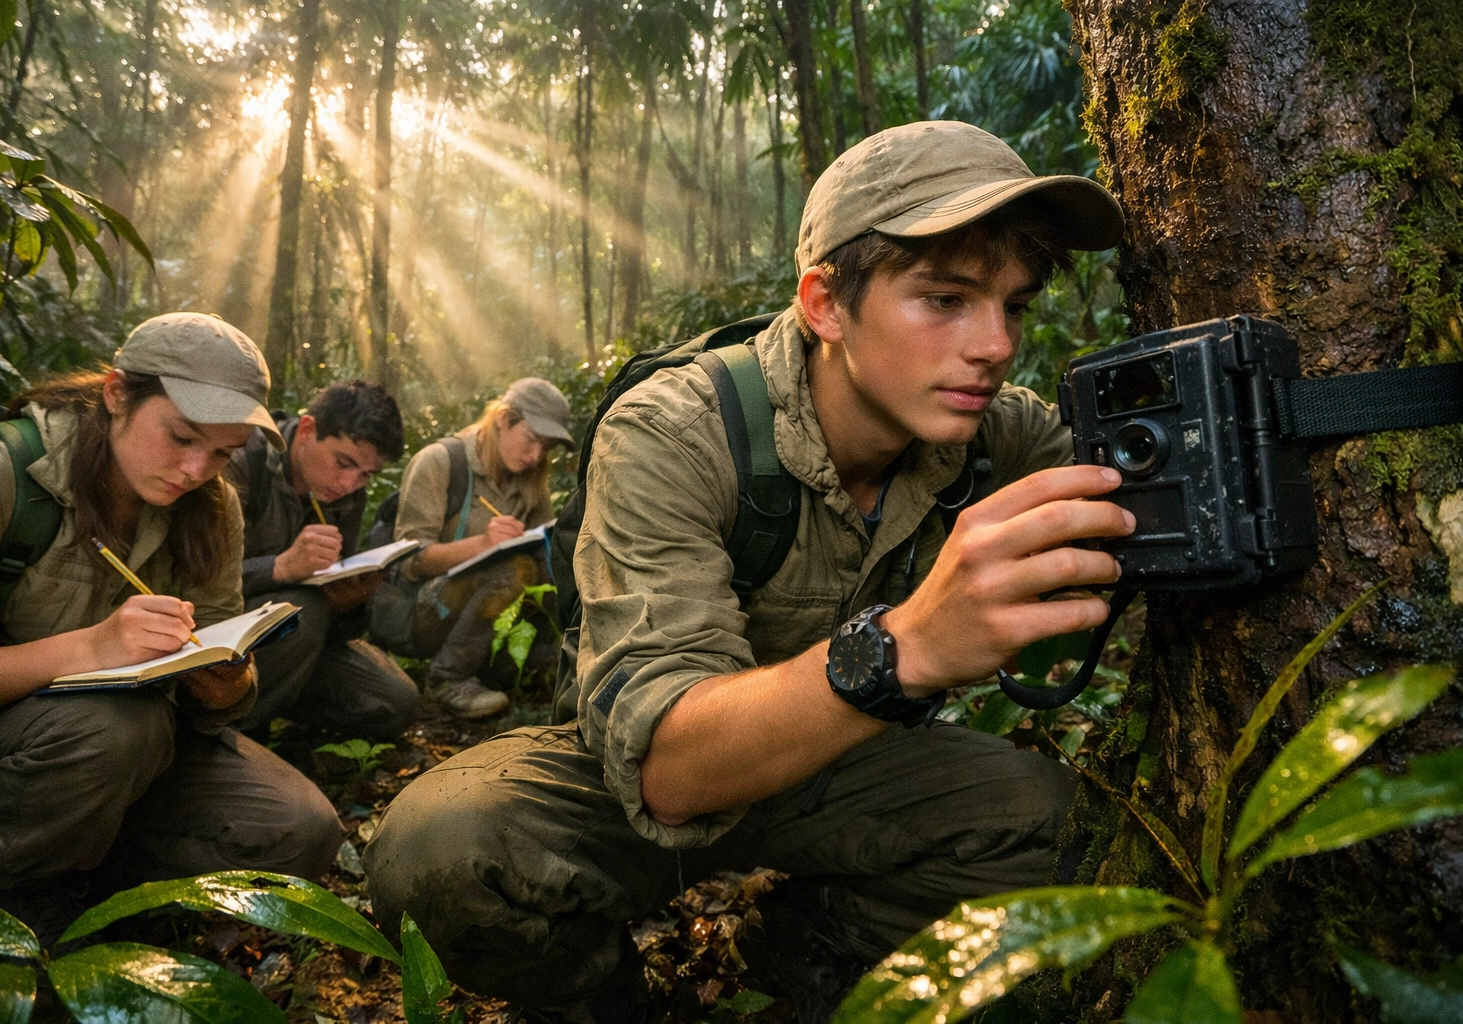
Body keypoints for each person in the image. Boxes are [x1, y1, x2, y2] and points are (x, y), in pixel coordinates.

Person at [364, 122, 1137, 1023]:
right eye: (945, 299)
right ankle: (605, 1006)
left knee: (1066, 835)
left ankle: (802, 952)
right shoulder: (674, 430)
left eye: (1016, 307)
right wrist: (906, 649)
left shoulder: (999, 433)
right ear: (826, 304)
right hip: (645, 775)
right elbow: (668, 773)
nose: (996, 344)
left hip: (843, 768)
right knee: (441, 848)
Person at [0, 313, 343, 940]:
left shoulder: (213, 506)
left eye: (223, 452)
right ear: (117, 394)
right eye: (181, 436)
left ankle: (100, 891)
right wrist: (93, 647)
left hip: (132, 757)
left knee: (299, 831)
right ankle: (5, 913)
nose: (197, 469)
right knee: (116, 726)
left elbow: (220, 642)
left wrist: (227, 686)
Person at [226, 380, 418, 740]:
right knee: (302, 610)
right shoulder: (239, 460)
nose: (349, 483)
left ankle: (293, 735)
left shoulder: (346, 496)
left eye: (366, 475)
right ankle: (231, 737)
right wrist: (280, 567)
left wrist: (349, 604)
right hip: (223, 642)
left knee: (395, 701)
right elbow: (193, 583)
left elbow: (337, 628)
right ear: (307, 430)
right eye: (343, 463)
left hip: (298, 643)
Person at [380, 377, 572, 718]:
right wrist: (483, 544)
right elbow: (408, 561)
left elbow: (547, 551)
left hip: (482, 615)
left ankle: (539, 666)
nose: (536, 456)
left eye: (547, 448)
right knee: (514, 570)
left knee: (552, 562)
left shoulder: (530, 476)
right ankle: (447, 678)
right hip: (420, 609)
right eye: (531, 440)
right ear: (502, 418)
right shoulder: (439, 461)